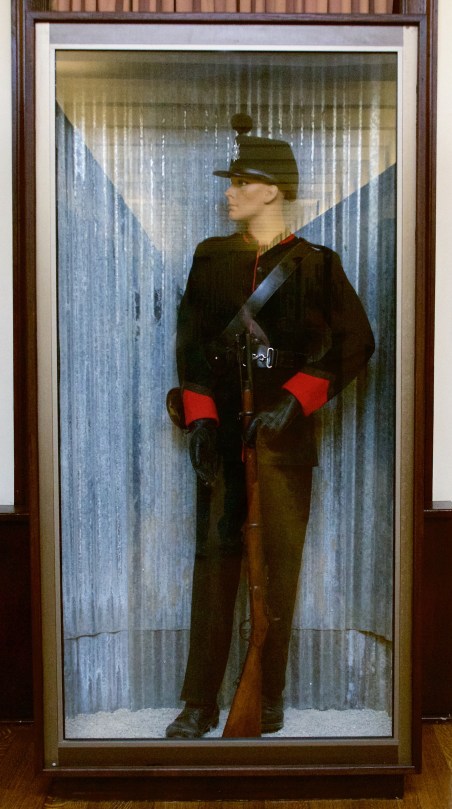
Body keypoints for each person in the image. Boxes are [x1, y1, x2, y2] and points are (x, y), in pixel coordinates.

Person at [165, 115, 375, 739]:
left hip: (283, 446)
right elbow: (191, 346)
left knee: (274, 573)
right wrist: (203, 421)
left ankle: (269, 694)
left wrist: (294, 402)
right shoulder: (211, 259)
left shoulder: (316, 265)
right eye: (230, 182)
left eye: (240, 182)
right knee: (214, 571)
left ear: (272, 190)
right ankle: (200, 703)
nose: (229, 193)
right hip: (223, 444)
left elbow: (356, 342)